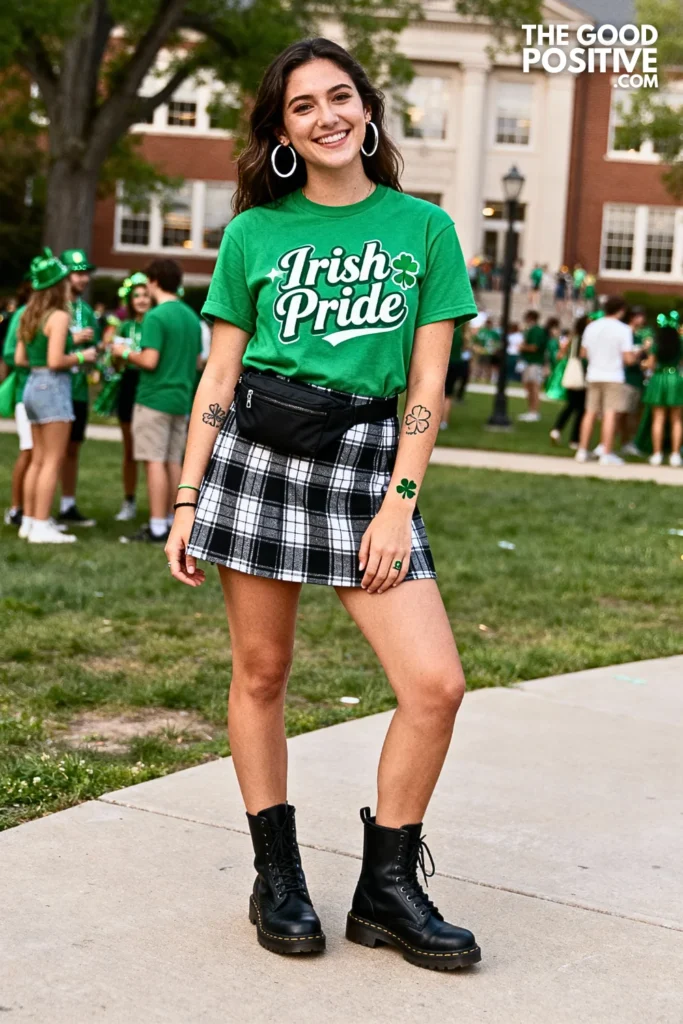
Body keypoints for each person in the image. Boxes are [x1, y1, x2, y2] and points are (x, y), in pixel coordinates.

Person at [165, 37, 481, 970]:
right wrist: (186, 499)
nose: (325, 116)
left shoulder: (421, 228)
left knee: (435, 685)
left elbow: (428, 381)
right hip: (258, 463)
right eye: (301, 106)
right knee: (261, 675)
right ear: (282, 132)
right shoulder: (254, 234)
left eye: (338, 96)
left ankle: (386, 888)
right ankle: (278, 874)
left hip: (366, 469)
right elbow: (218, 374)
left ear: (366, 109)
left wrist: (399, 503)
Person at [111, 259, 202, 543]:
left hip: (153, 398)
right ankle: (176, 520)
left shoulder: (156, 316)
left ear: (153, 281)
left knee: (154, 462)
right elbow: (198, 361)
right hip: (181, 398)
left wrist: (124, 352)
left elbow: (149, 360)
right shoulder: (190, 316)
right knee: (174, 461)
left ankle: (157, 526)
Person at [15, 249, 97, 543]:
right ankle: (40, 524)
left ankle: (29, 521)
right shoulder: (59, 316)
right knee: (52, 460)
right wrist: (81, 355)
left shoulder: (28, 315)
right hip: (53, 387)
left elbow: (21, 359)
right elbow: (55, 361)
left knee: (37, 459)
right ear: (57, 286)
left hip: (31, 387)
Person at [58, 248, 100, 528]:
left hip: (78, 390)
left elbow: (94, 351)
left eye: (85, 273)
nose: (82, 279)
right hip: (55, 389)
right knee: (48, 452)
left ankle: (67, 505)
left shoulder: (87, 311)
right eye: (77, 273)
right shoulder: (54, 308)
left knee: (72, 448)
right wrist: (72, 339)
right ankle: (30, 509)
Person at [105, 273, 151, 521]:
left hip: (149, 385)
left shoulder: (155, 323)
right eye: (137, 296)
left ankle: (157, 505)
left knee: (151, 452)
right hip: (128, 385)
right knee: (130, 451)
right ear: (130, 300)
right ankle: (129, 501)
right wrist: (115, 353)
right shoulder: (124, 326)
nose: (142, 300)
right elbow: (116, 363)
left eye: (145, 295)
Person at [575, 298, 639, 465]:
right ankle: (606, 452)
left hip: (593, 373)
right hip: (613, 375)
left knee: (590, 412)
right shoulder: (623, 329)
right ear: (621, 310)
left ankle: (582, 450)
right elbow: (628, 358)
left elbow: (583, 352)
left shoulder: (592, 326)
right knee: (610, 413)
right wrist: (636, 355)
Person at [641, 312, 683, 467]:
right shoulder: (680, 342)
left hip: (659, 378)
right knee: (677, 420)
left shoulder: (656, 344)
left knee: (658, 418)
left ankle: (657, 453)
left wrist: (643, 363)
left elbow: (650, 364)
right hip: (675, 379)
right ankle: (675, 454)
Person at [549, 315, 587, 449]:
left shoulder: (573, 338)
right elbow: (584, 355)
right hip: (582, 375)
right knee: (581, 409)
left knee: (570, 405)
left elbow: (560, 354)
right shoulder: (585, 338)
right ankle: (574, 439)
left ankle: (557, 429)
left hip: (571, 373)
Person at [619, 306, 650, 457]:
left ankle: (628, 442)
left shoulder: (638, 335)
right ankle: (622, 442)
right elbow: (628, 359)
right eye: (639, 316)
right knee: (624, 413)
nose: (642, 319)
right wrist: (643, 349)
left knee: (633, 413)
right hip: (626, 378)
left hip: (637, 378)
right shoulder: (626, 333)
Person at [518, 310, 547, 421]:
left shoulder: (536, 330)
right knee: (529, 387)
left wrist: (522, 347)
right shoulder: (531, 330)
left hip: (534, 362)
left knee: (534, 387)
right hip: (529, 362)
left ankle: (534, 411)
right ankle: (531, 410)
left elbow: (534, 347)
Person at [441, 321, 470, 427]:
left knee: (438, 393)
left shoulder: (445, 328)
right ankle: (444, 421)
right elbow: (466, 348)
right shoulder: (463, 332)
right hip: (457, 363)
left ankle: (437, 419)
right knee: (448, 395)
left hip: (444, 362)